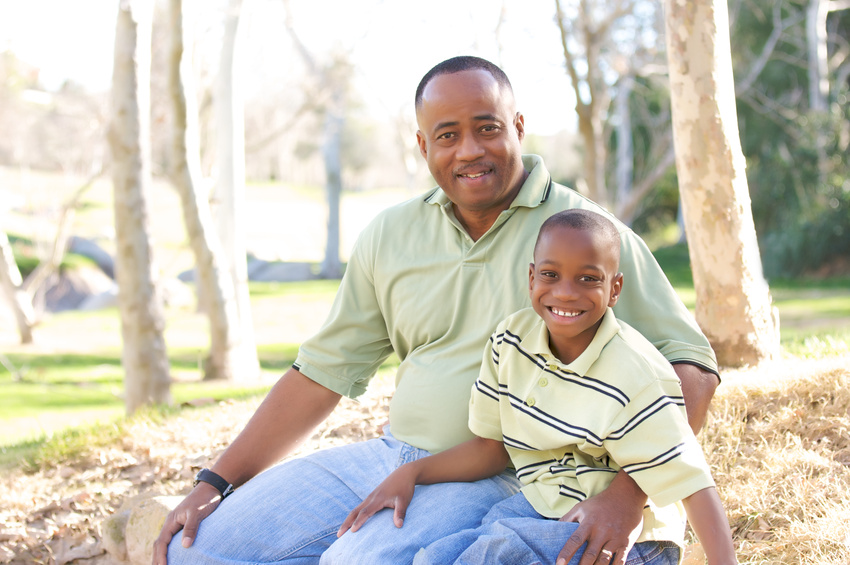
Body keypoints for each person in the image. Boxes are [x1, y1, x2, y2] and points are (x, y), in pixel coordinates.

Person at [154, 55, 721, 565]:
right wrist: (213, 483)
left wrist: (627, 494)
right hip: (393, 456)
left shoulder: (584, 238)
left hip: (507, 471)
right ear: (424, 147)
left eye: (488, 128)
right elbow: (320, 375)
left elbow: (690, 368)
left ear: (518, 128)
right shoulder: (391, 233)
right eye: (447, 135)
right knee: (196, 551)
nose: (469, 150)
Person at [338, 209, 738, 565]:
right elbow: (490, 449)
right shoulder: (510, 341)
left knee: (489, 554)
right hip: (539, 505)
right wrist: (412, 472)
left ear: (614, 289)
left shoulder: (636, 373)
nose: (565, 292)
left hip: (627, 541)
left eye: (588, 279)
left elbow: (693, 483)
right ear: (532, 278)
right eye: (551, 275)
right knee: (436, 556)